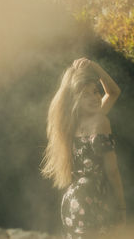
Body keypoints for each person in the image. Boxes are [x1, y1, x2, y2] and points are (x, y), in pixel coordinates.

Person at [40, 57, 126, 239]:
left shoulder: (69, 123)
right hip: (93, 199)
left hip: (72, 201)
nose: (95, 97)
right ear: (75, 100)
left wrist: (93, 67)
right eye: (86, 94)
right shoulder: (100, 121)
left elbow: (113, 92)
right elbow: (112, 170)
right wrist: (121, 206)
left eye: (95, 91)